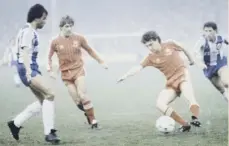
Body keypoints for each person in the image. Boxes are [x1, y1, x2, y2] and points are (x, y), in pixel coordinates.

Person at [117, 31, 201, 132]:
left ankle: (195, 118)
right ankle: (185, 124)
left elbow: (183, 48)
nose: (150, 47)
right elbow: (138, 67)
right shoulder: (150, 57)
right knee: (160, 104)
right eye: (147, 46)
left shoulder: (170, 44)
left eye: (151, 44)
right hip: (171, 82)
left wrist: (191, 60)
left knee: (190, 97)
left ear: (157, 40)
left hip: (183, 75)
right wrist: (126, 75)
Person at [7, 4, 60, 144]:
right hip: (27, 68)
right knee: (50, 93)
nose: (45, 21)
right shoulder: (29, 31)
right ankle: (49, 133)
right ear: (37, 18)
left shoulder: (26, 30)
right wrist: (29, 71)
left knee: (44, 101)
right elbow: (24, 52)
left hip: (30, 67)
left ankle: (15, 123)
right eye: (44, 18)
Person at [48, 15, 108, 129]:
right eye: (67, 26)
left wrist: (101, 61)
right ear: (61, 27)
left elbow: (90, 50)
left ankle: (93, 120)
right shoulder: (55, 42)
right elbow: (50, 57)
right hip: (66, 75)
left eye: (71, 26)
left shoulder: (79, 38)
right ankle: (87, 112)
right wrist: (51, 71)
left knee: (82, 95)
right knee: (77, 100)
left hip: (78, 70)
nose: (69, 28)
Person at [194, 21, 228, 102]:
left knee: (226, 82)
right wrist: (200, 63)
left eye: (210, 31)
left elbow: (226, 40)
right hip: (208, 68)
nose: (207, 33)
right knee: (222, 90)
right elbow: (195, 54)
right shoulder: (201, 41)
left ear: (215, 31)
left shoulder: (220, 38)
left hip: (220, 63)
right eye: (205, 31)